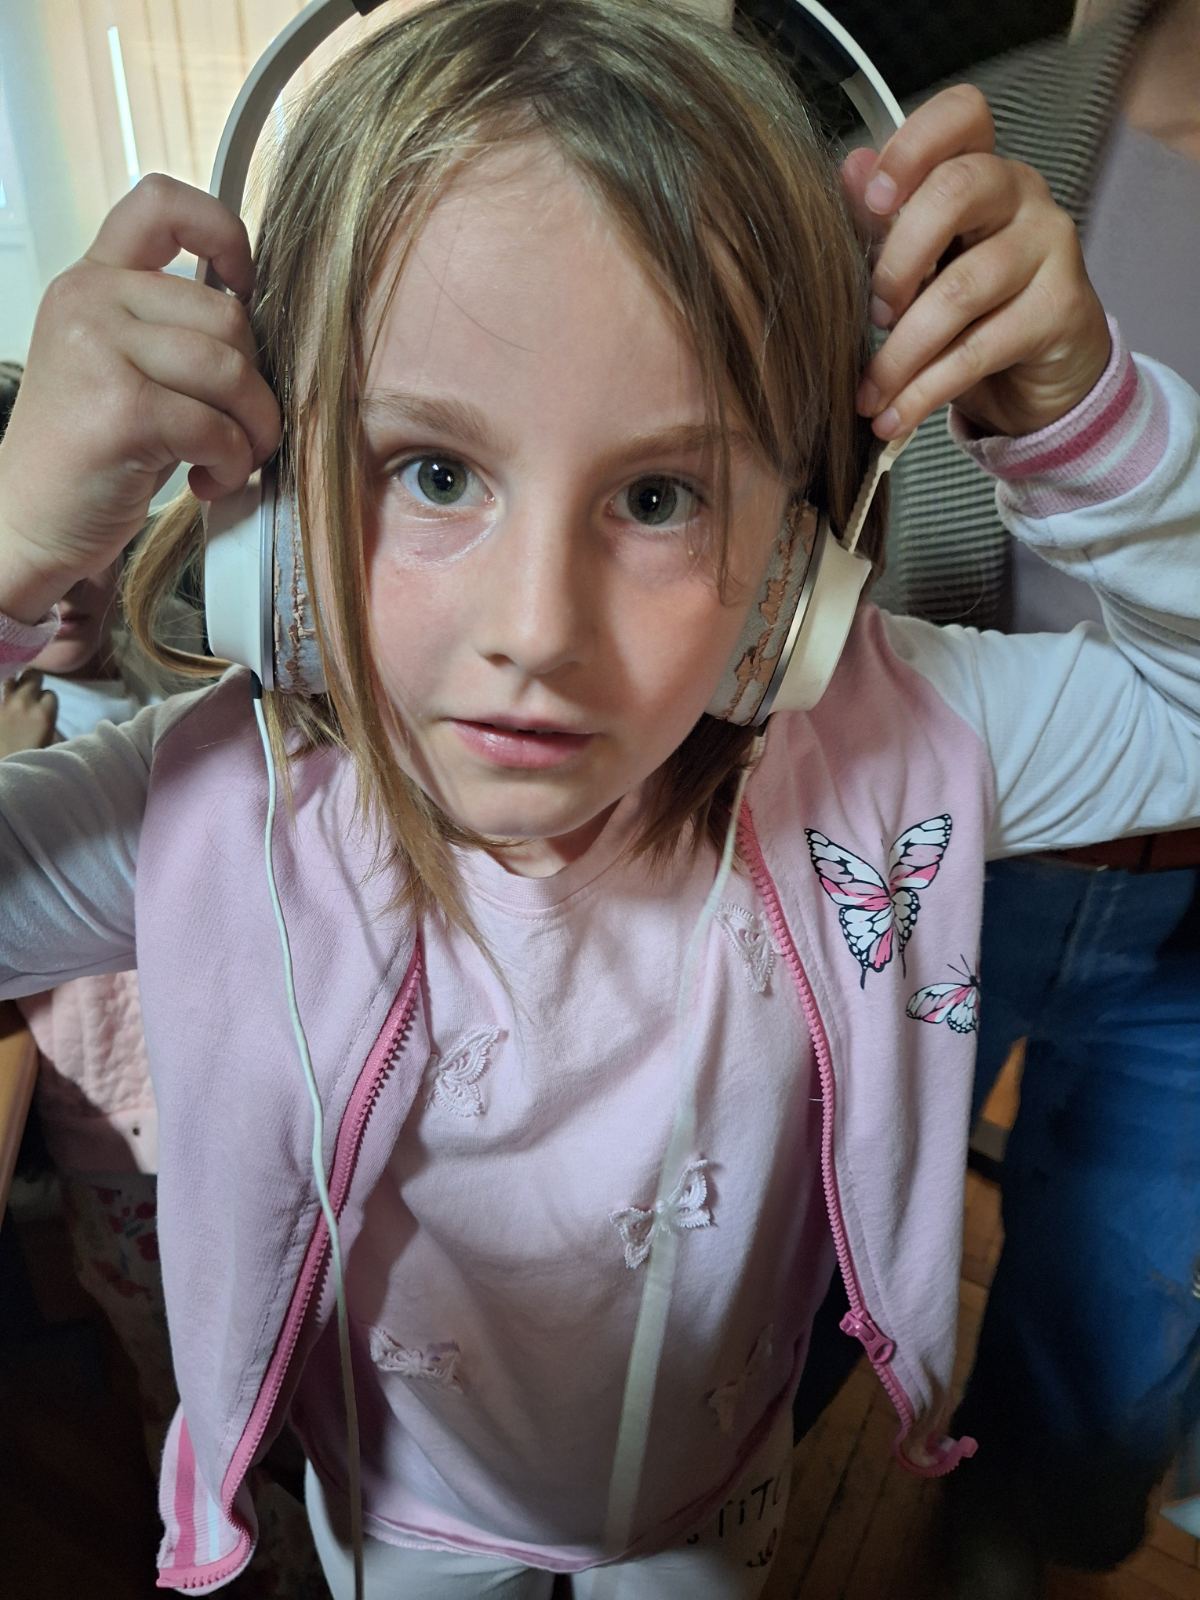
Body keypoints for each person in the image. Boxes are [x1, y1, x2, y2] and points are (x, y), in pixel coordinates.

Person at [0, 1, 1196, 1594]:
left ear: (789, 581)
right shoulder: (232, 809)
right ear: (277, 539)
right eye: (435, 470)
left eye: (656, 494)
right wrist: (9, 547)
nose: (538, 632)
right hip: (403, 1519)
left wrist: (1090, 430)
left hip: (710, 1499)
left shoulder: (877, 751)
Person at [864, 0, 1200, 1592]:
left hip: (1189, 922)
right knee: (803, 1240)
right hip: (945, 851)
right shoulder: (981, 128)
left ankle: (1013, 1541)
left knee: (1125, 1308)